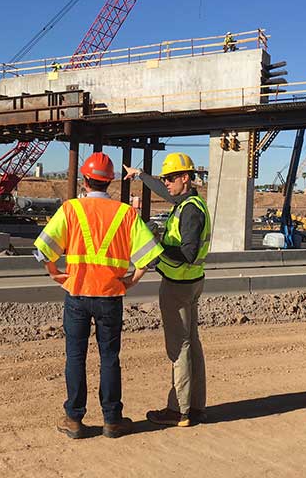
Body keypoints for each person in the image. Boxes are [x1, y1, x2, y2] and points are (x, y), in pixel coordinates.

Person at [34, 152, 163, 439]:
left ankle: (74, 419)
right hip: (110, 296)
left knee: (75, 357)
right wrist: (132, 280)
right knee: (109, 358)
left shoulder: (71, 209)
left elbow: (43, 249)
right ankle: (112, 420)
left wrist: (55, 273)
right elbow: (150, 256)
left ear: (84, 180)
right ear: (111, 182)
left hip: (77, 294)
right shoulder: (126, 213)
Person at [123, 152, 211, 428]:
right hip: (190, 282)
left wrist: (154, 244)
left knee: (179, 347)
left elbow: (186, 252)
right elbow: (165, 191)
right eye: (165, 179)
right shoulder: (187, 201)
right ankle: (194, 406)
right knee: (191, 343)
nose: (167, 184)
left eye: (171, 178)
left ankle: (179, 410)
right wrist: (141, 176)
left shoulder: (191, 210)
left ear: (185, 178)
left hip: (179, 287)